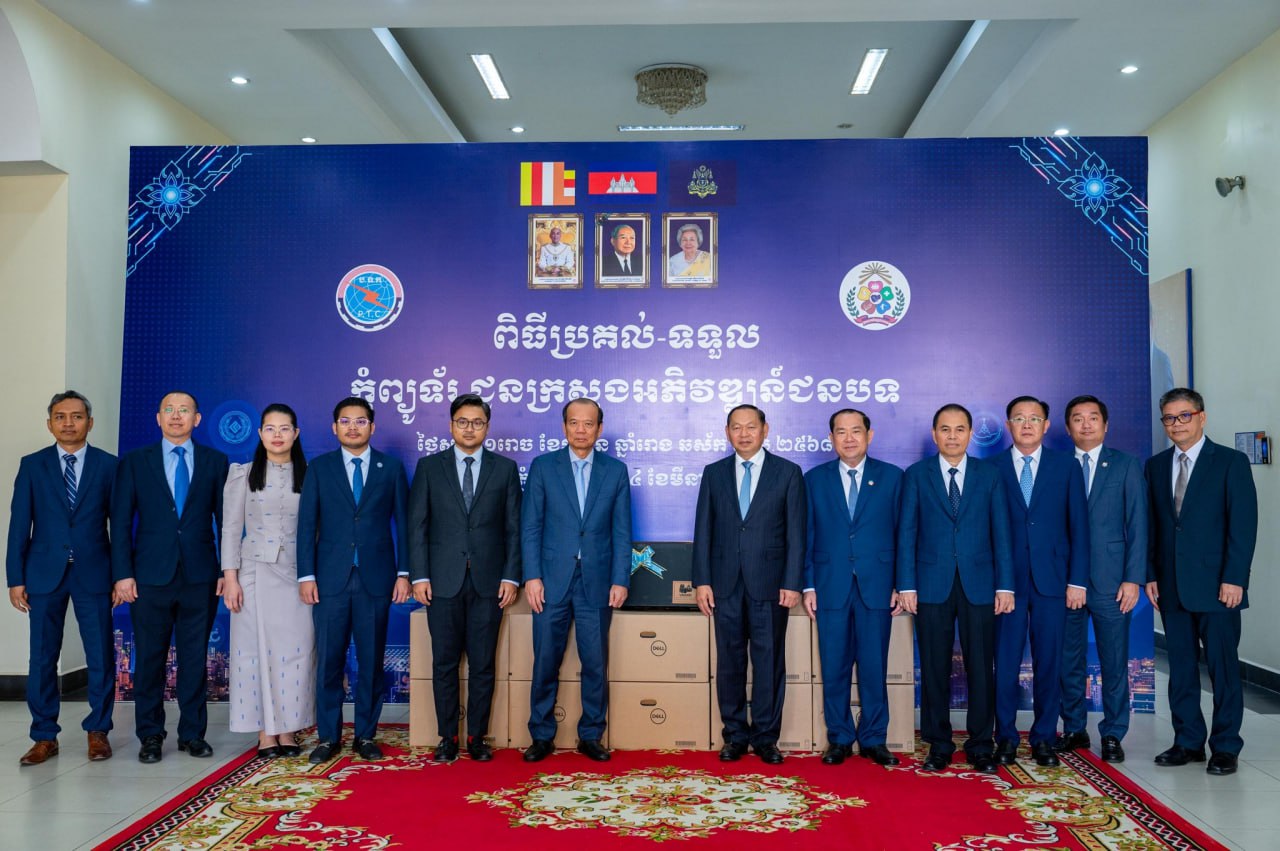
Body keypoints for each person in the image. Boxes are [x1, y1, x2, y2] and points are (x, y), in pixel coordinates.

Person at [112, 391, 229, 763]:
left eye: (184, 410)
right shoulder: (135, 462)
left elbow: (228, 521)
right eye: (169, 410)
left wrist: (226, 570)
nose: (176, 416)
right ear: (158, 418)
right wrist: (123, 574)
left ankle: (192, 734)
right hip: (149, 576)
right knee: (150, 659)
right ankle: (150, 735)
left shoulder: (215, 461)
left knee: (195, 659)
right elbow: (120, 522)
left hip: (200, 575)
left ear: (197, 419)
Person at [1145, 388, 1257, 776]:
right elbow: (1153, 527)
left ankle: (1225, 746)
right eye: (1169, 418)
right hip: (1171, 585)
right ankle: (1188, 741)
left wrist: (1235, 578)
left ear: (1201, 417)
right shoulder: (1156, 466)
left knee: (1223, 669)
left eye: (1184, 416)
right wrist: (1150, 574)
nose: (1176, 424)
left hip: (1217, 586)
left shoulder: (1229, 462)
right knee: (1180, 667)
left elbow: (1243, 525)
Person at [897, 403, 1014, 773]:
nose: (952, 436)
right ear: (934, 434)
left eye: (959, 429)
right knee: (934, 667)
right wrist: (906, 584)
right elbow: (907, 532)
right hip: (931, 583)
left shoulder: (989, 474)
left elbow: (1001, 533)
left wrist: (1006, 585)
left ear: (970, 434)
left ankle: (981, 744)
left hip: (980, 583)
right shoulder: (916, 475)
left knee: (981, 667)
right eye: (945, 429)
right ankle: (939, 744)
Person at [409, 394, 522, 763]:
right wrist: (419, 575)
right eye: (462, 421)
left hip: (489, 583)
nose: (469, 428)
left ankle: (476, 737)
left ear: (487, 427)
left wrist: (511, 577)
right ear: (451, 425)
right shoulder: (430, 467)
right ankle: (446, 737)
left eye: (477, 422)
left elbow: (514, 530)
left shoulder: (505, 469)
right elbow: (417, 526)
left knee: (483, 664)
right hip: (442, 581)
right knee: (444, 662)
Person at [7, 391, 118, 766]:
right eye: (60, 416)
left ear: (90, 422)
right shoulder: (33, 465)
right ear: (49, 423)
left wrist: (121, 576)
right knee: (42, 657)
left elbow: (119, 526)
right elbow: (19, 525)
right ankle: (43, 736)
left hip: (95, 572)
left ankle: (98, 731)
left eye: (76, 416)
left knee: (100, 654)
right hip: (43, 574)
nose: (68, 423)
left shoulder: (108, 465)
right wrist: (15, 577)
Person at [298, 397, 410, 763]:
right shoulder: (320, 468)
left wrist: (404, 573)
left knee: (371, 661)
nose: (352, 427)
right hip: (330, 579)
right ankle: (328, 737)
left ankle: (365, 735)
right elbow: (306, 525)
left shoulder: (390, 468)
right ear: (334, 428)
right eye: (345, 421)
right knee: (329, 661)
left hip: (376, 579)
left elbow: (405, 524)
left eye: (360, 421)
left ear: (372, 427)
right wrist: (306, 574)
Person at [694, 404, 806, 765]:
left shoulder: (787, 473)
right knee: (729, 662)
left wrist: (792, 581)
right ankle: (735, 736)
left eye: (751, 427)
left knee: (769, 661)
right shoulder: (714, 473)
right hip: (724, 584)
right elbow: (703, 530)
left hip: (770, 584)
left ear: (765, 430)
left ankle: (766, 738)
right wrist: (702, 581)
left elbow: (796, 534)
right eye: (736, 428)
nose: (744, 434)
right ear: (727, 432)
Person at [521, 398, 631, 763]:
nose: (580, 430)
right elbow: (531, 526)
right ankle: (541, 735)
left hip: (596, 580)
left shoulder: (615, 471)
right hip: (551, 580)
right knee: (545, 660)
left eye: (588, 424)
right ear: (564, 426)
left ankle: (591, 735)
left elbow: (622, 531)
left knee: (595, 662)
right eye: (573, 423)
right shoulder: (543, 467)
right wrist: (532, 576)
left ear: (600, 429)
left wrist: (620, 579)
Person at [992, 396, 1089, 768]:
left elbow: (1079, 527)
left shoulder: (1066, 466)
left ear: (1047, 425)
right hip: (1006, 584)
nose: (1027, 424)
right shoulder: (991, 468)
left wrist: (1077, 580)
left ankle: (1044, 738)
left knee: (1050, 663)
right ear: (1008, 426)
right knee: (1005, 663)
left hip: (1054, 581)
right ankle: (1005, 737)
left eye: (1034, 418)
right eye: (1019, 418)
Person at [802, 408, 902, 766]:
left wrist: (901, 584)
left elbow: (903, 534)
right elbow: (806, 535)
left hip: (878, 585)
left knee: (874, 665)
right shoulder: (814, 480)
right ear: (831, 438)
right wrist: (808, 584)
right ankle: (840, 737)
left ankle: (874, 738)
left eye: (856, 431)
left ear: (869, 435)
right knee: (834, 666)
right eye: (841, 432)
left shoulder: (892, 477)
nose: (849, 438)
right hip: (830, 584)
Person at [221, 403, 314, 759]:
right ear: (260, 434)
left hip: (298, 575)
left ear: (296, 433)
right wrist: (230, 578)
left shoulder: (311, 474)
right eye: (270, 429)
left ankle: (288, 729)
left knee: (296, 652)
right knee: (256, 653)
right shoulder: (243, 475)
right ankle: (265, 733)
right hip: (254, 573)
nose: (277, 435)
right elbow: (231, 529)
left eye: (284, 428)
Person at [1058, 394, 1147, 763]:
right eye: (1077, 419)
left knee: (1113, 660)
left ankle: (1112, 732)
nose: (1086, 424)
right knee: (1069, 659)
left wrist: (1133, 578)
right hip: (1066, 582)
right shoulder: (1057, 466)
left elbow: (1138, 524)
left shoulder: (1125, 465)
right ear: (1067, 428)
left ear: (1106, 425)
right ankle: (1074, 728)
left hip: (1113, 582)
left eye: (1093, 417)